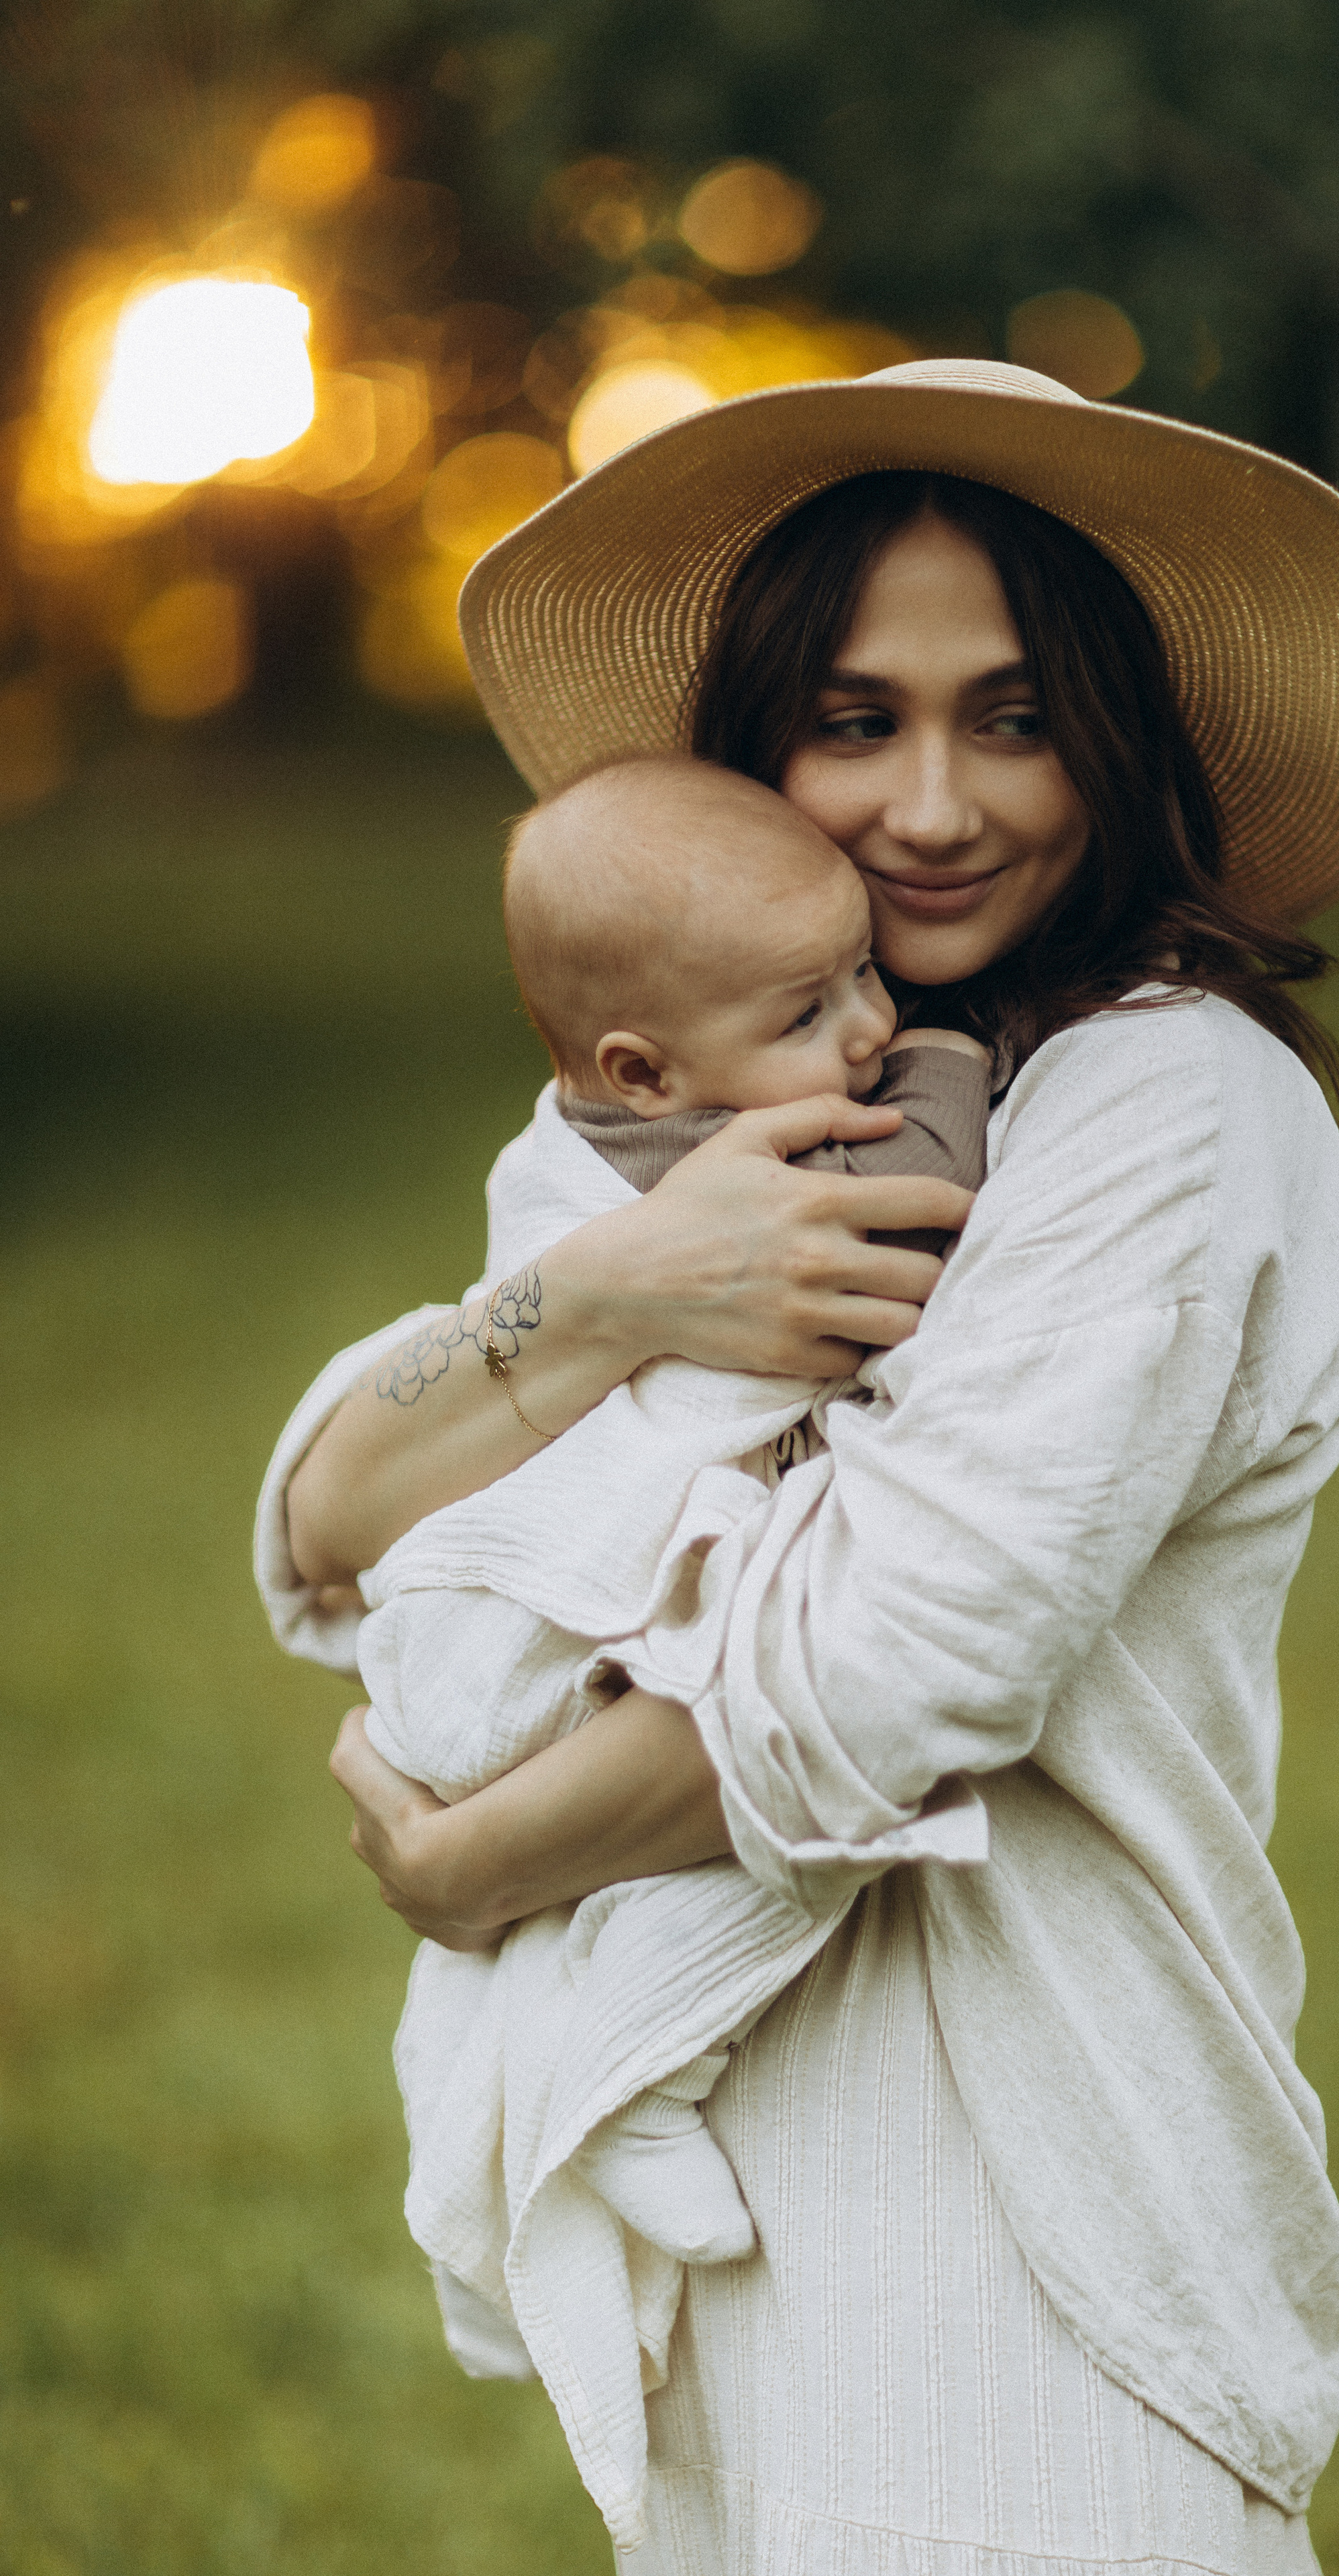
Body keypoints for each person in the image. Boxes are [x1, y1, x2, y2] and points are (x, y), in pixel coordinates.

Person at [265, 359, 1339, 2573]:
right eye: (854, 719)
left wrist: (472, 1862)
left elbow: (880, 1676)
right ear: (758, 753)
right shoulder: (707, 1111)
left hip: (1035, 2181)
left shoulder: (1169, 1107)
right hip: (736, 2224)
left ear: (1111, 736)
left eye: (1011, 716)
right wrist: (621, 1293)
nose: (934, 807)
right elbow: (327, 1513)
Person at [288, 753, 992, 2426]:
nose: (869, 1029)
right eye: (815, 1004)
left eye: (868, 981)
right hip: (570, 1601)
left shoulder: (688, 1090)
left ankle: (608, 2087)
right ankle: (625, 2086)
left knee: (699, 1803)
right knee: (727, 1823)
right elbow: (911, 1204)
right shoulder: (623, 1167)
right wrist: (960, 1062)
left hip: (637, 1647)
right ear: (638, 1068)